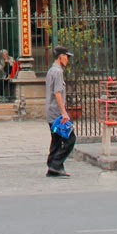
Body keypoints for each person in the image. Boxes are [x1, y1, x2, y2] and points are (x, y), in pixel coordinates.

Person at [45, 46, 75, 177]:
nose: (68, 59)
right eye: (66, 56)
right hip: (57, 113)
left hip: (51, 111)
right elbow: (57, 93)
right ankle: (56, 164)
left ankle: (52, 167)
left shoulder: (51, 70)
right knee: (70, 139)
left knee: (56, 140)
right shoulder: (57, 72)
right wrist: (64, 112)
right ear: (60, 56)